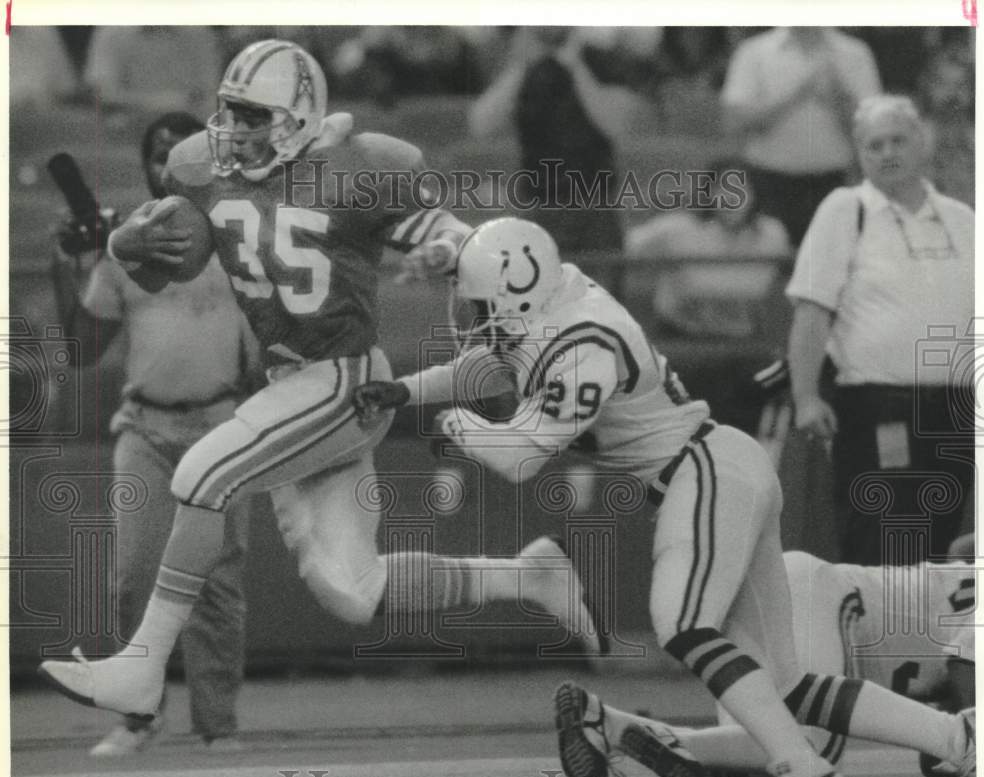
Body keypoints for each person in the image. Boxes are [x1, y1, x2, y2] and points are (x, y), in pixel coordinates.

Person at [39, 40, 600, 722]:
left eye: (253, 116)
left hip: (342, 381)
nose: (235, 131)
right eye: (229, 113)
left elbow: (454, 232)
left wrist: (445, 249)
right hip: (294, 387)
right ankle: (531, 574)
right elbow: (172, 269)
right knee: (351, 591)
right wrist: (128, 243)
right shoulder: (201, 171)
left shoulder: (359, 167)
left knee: (202, 473)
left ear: (298, 119)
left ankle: (142, 667)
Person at [353, 216, 975, 777]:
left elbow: (518, 456)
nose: (469, 314)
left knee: (681, 623)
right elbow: (489, 357)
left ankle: (806, 770)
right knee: (786, 684)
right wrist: (405, 389)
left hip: (700, 473)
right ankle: (957, 739)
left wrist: (451, 422)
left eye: (478, 304)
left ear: (518, 294)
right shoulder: (551, 296)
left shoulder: (583, 346)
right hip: (719, 466)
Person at [47, 112, 256, 756]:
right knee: (133, 575)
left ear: (210, 158)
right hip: (145, 426)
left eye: (181, 151)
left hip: (223, 424)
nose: (167, 163)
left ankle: (217, 726)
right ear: (143, 167)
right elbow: (82, 350)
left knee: (217, 580)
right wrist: (70, 260)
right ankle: (139, 717)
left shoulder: (242, 236)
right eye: (156, 153)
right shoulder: (125, 243)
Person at [554, 535, 976, 777]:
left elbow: (964, 549)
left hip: (790, 589)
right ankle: (622, 730)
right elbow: (965, 665)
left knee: (760, 766)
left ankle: (611, 726)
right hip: (819, 599)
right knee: (807, 765)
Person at [786, 95, 975, 567]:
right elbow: (812, 310)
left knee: (941, 534)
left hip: (958, 405)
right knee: (884, 532)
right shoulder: (845, 209)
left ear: (922, 141)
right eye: (874, 145)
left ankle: (927, 641)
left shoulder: (963, 219)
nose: (887, 152)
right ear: (859, 153)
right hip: (879, 404)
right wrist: (806, 395)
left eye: (897, 140)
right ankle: (877, 641)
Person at [468, 27, 636, 257]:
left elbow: (616, 125)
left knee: (600, 290)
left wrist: (575, 66)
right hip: (538, 202)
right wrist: (520, 67)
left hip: (596, 204)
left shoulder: (600, 59)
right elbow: (481, 125)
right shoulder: (519, 64)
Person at [720, 27, 881, 246]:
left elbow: (874, 128)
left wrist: (838, 96)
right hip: (767, 183)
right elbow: (735, 121)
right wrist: (797, 94)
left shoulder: (855, 53)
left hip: (833, 182)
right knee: (774, 267)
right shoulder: (754, 51)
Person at [626, 160, 790, 339]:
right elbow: (622, 249)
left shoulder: (772, 233)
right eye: (722, 188)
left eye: (740, 189)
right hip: (680, 339)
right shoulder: (677, 228)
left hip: (743, 341)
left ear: (755, 195)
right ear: (708, 193)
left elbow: (758, 289)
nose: (731, 198)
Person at [83, 27, 223, 119]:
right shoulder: (112, 32)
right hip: (127, 130)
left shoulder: (199, 33)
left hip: (188, 129)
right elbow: (103, 94)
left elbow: (210, 92)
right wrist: (167, 102)